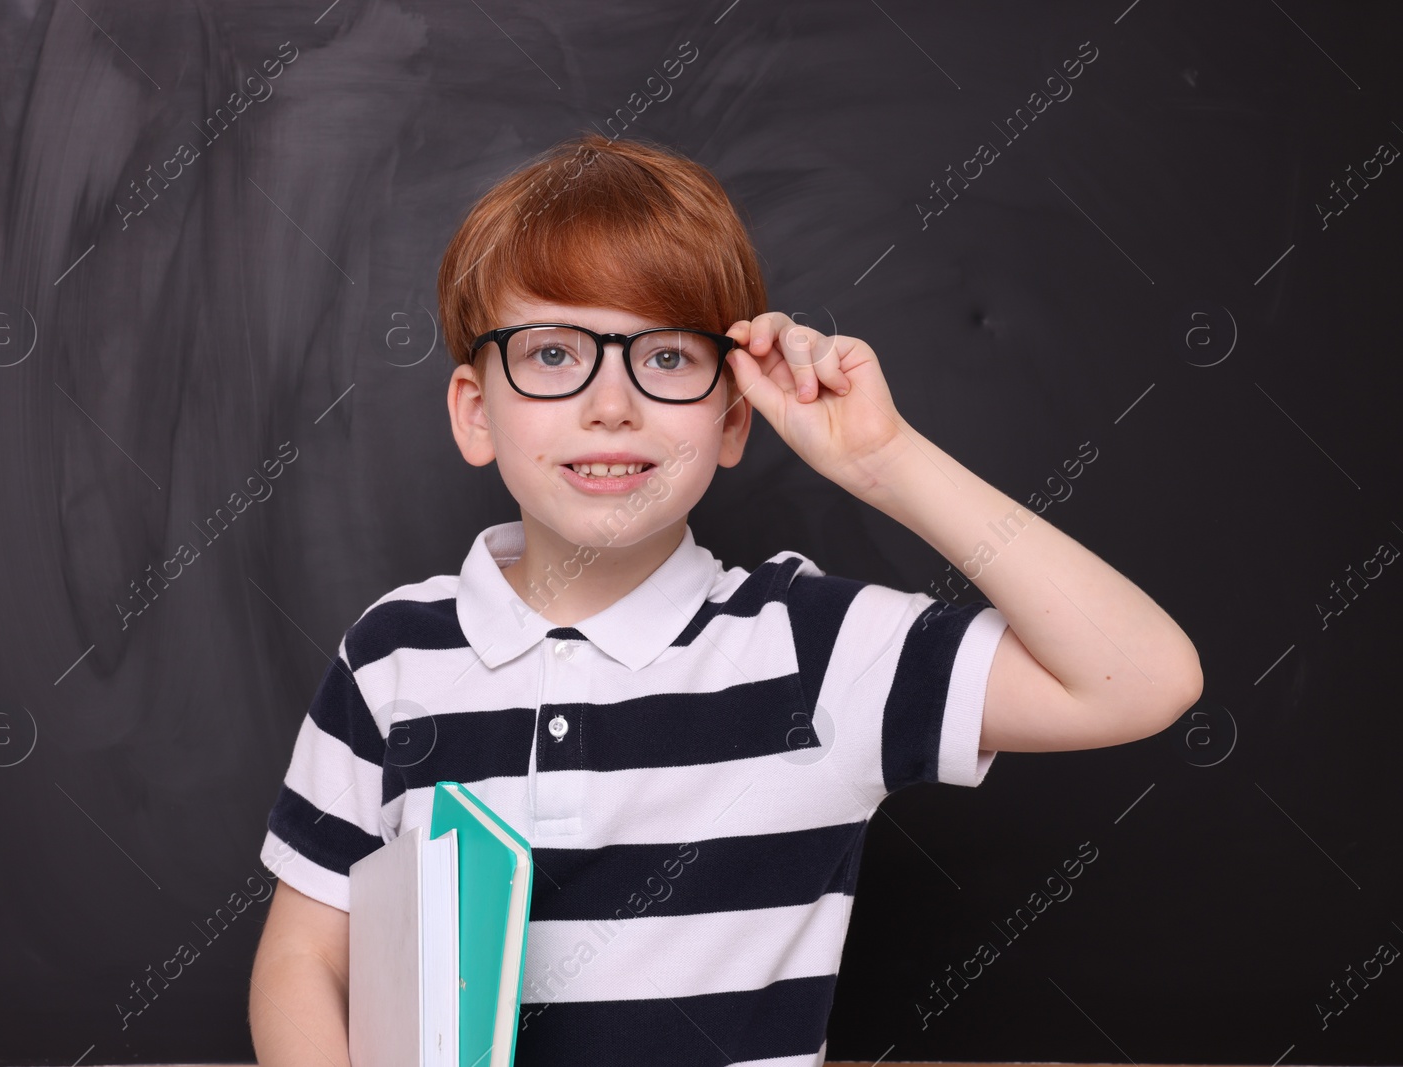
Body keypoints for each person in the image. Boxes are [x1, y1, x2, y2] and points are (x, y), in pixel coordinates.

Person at [247, 131, 1203, 1067]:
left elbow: (1139, 680)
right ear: (473, 411)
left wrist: (884, 460)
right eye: (550, 354)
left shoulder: (812, 650)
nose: (610, 403)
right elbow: (302, 959)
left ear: (734, 415)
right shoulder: (394, 655)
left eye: (665, 357)